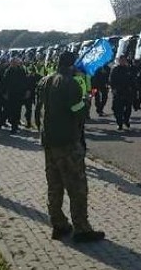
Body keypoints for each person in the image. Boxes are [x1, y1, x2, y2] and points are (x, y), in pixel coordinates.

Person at [34, 50, 105, 243]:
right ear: (72, 65)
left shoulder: (45, 81)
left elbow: (39, 109)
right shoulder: (70, 84)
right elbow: (78, 113)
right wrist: (87, 102)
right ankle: (82, 229)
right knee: (77, 187)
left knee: (54, 186)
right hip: (67, 143)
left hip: (48, 141)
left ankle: (58, 225)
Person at [3, 57, 28, 132]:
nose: (14, 63)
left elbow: (25, 81)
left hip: (19, 93)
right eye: (13, 62)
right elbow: (5, 83)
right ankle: (10, 126)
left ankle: (15, 126)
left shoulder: (21, 70)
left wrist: (26, 91)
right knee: (11, 110)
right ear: (11, 63)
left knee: (18, 110)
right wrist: (5, 93)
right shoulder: (8, 71)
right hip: (11, 94)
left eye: (16, 62)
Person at [109, 56, 134, 130]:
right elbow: (111, 80)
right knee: (117, 109)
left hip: (127, 92)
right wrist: (113, 89)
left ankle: (126, 120)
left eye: (124, 60)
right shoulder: (115, 69)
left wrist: (134, 89)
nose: (123, 61)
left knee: (128, 109)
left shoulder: (128, 69)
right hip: (118, 92)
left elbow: (132, 80)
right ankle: (119, 123)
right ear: (119, 61)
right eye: (121, 60)